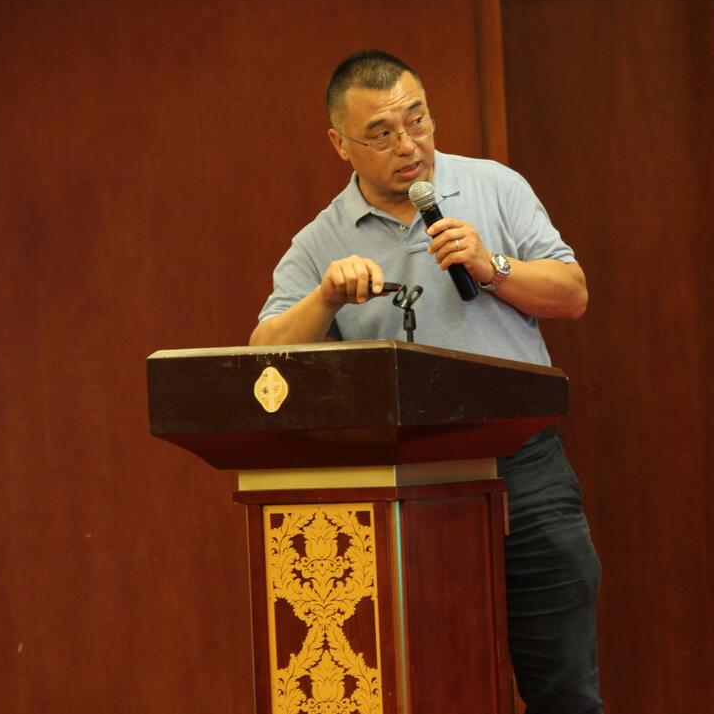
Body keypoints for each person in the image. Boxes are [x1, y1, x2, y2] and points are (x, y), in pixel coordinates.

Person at [250, 49, 603, 714]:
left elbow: (572, 293)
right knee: (436, 685)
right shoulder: (321, 240)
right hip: (404, 484)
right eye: (381, 134)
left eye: (417, 120)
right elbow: (263, 355)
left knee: (565, 690)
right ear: (341, 145)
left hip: (524, 467)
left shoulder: (495, 186)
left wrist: (494, 267)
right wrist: (324, 299)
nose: (409, 145)